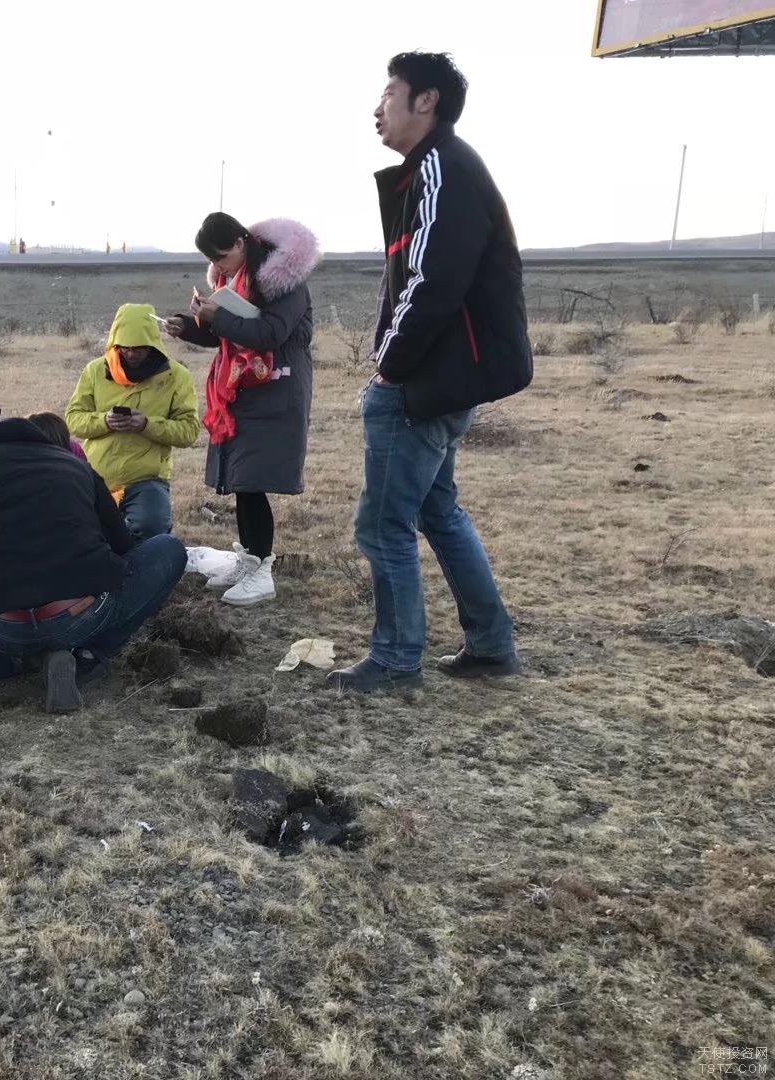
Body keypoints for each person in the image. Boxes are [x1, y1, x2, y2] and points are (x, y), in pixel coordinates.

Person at [326, 52, 531, 693]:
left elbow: (430, 279)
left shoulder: (441, 166)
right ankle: (492, 648)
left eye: (390, 93)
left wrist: (390, 365)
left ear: (427, 101)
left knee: (383, 524)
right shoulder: (432, 169)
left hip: (425, 381)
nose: (377, 108)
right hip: (448, 376)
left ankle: (393, 660)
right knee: (439, 511)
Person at [0, 413, 186, 714]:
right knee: (168, 548)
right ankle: (87, 655)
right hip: (79, 615)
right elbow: (125, 546)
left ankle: (18, 660)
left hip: (3, 628)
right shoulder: (77, 466)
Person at [165, 214, 320, 606]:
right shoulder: (234, 281)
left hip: (276, 387)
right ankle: (249, 559)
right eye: (212, 261)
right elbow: (229, 337)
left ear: (239, 242)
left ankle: (261, 569)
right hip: (244, 387)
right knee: (242, 479)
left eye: (222, 257)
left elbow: (269, 334)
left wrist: (221, 318)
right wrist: (191, 325)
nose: (218, 267)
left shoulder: (284, 282)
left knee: (252, 479)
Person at [65, 303, 199, 540]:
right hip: (96, 476)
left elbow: (189, 432)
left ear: (153, 344)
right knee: (77, 534)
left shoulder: (177, 377)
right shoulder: (94, 371)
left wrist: (147, 425)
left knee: (149, 529)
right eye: (124, 348)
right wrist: (104, 421)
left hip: (146, 478)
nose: (131, 354)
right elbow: (74, 420)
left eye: (139, 348)